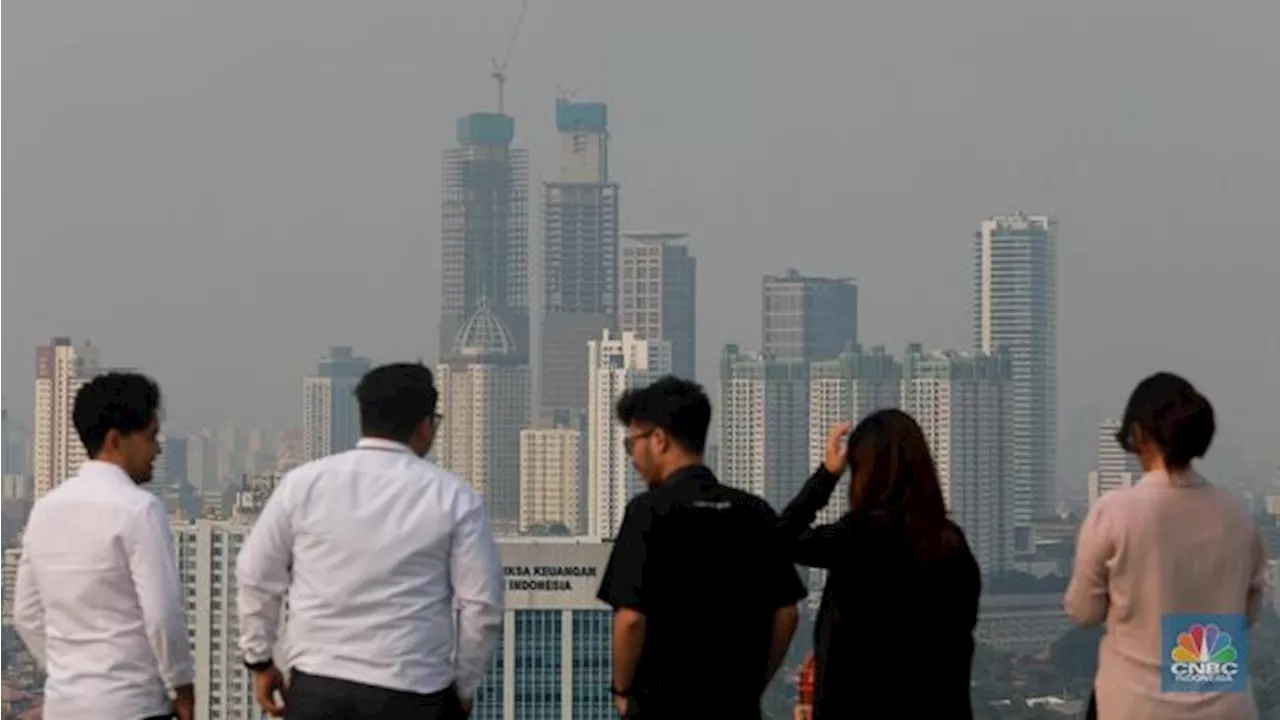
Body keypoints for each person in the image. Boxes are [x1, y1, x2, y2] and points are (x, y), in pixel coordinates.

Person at [236, 363, 503, 719]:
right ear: (425, 425)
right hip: (414, 693)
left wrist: (259, 661)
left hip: (319, 688)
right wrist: (464, 687)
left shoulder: (302, 485)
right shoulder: (455, 497)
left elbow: (255, 574)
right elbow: (482, 607)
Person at [596, 376, 805, 720]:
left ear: (659, 440)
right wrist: (753, 683)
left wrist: (622, 693)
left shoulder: (649, 512)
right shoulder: (754, 512)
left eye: (632, 443)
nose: (632, 456)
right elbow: (788, 613)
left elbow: (631, 619)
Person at [1065, 372, 1265, 719]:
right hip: (1224, 708)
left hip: (1134, 706)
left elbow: (1084, 611)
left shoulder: (1115, 512)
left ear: (1139, 434)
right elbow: (1247, 613)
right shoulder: (1237, 515)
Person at [778, 410, 981, 719]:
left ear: (864, 473)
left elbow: (782, 538)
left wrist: (828, 474)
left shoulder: (856, 539)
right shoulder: (951, 545)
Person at [15, 372, 195, 720]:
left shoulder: (45, 509)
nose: (157, 448)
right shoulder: (139, 509)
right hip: (131, 705)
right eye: (150, 437)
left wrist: (70, 671)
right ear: (116, 440)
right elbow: (161, 615)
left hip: (64, 705)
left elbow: (26, 614)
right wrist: (183, 688)